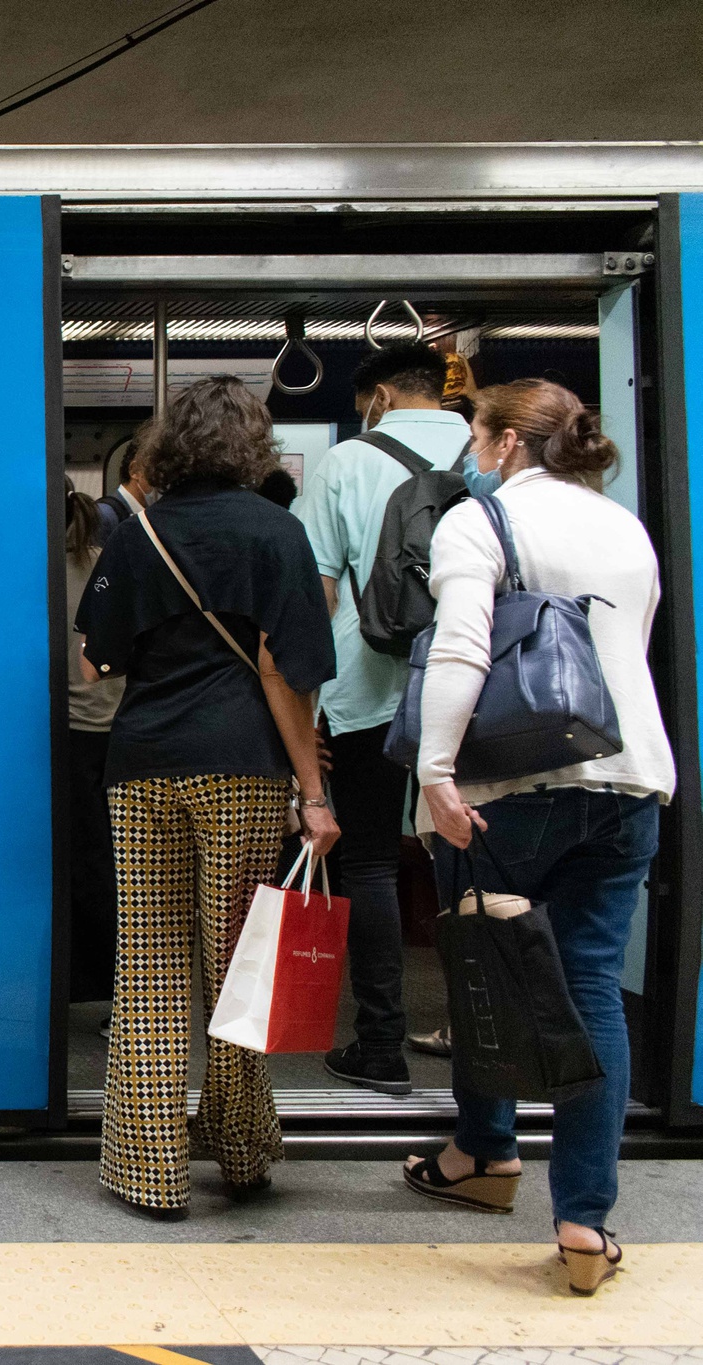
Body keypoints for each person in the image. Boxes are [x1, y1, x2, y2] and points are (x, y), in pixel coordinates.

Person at [400, 379, 673, 1297]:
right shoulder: (622, 525)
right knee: (591, 980)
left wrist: (436, 772)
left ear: (510, 441)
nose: (474, 449)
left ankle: (485, 1150)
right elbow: (629, 646)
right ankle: (584, 1219)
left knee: (485, 959)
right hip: (628, 776)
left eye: (481, 434)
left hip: (513, 783)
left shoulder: (481, 522)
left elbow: (461, 649)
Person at [74, 376, 339, 1220]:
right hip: (242, 768)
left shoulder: (135, 532)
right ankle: (243, 1154)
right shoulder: (277, 532)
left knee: (148, 969)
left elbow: (92, 663)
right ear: (252, 446)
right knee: (237, 964)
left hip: (142, 765)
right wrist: (315, 792)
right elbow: (282, 671)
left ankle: (148, 1172)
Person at [294, 342, 472, 1096]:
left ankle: (380, 1044)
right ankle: (485, 1040)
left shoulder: (348, 462)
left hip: (368, 689)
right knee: (473, 865)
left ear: (382, 395)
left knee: (367, 862)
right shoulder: (491, 450)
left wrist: (304, 710)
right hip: (477, 692)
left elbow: (317, 591)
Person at [64, 477, 124, 1011]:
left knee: (78, 861)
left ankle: (94, 986)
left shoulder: (33, 570)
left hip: (69, 732)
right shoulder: (106, 560)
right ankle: (108, 991)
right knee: (102, 860)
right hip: (111, 727)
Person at [93, 432, 156, 547]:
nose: (160, 481)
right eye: (155, 472)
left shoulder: (146, 514)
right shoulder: (105, 515)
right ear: (134, 471)